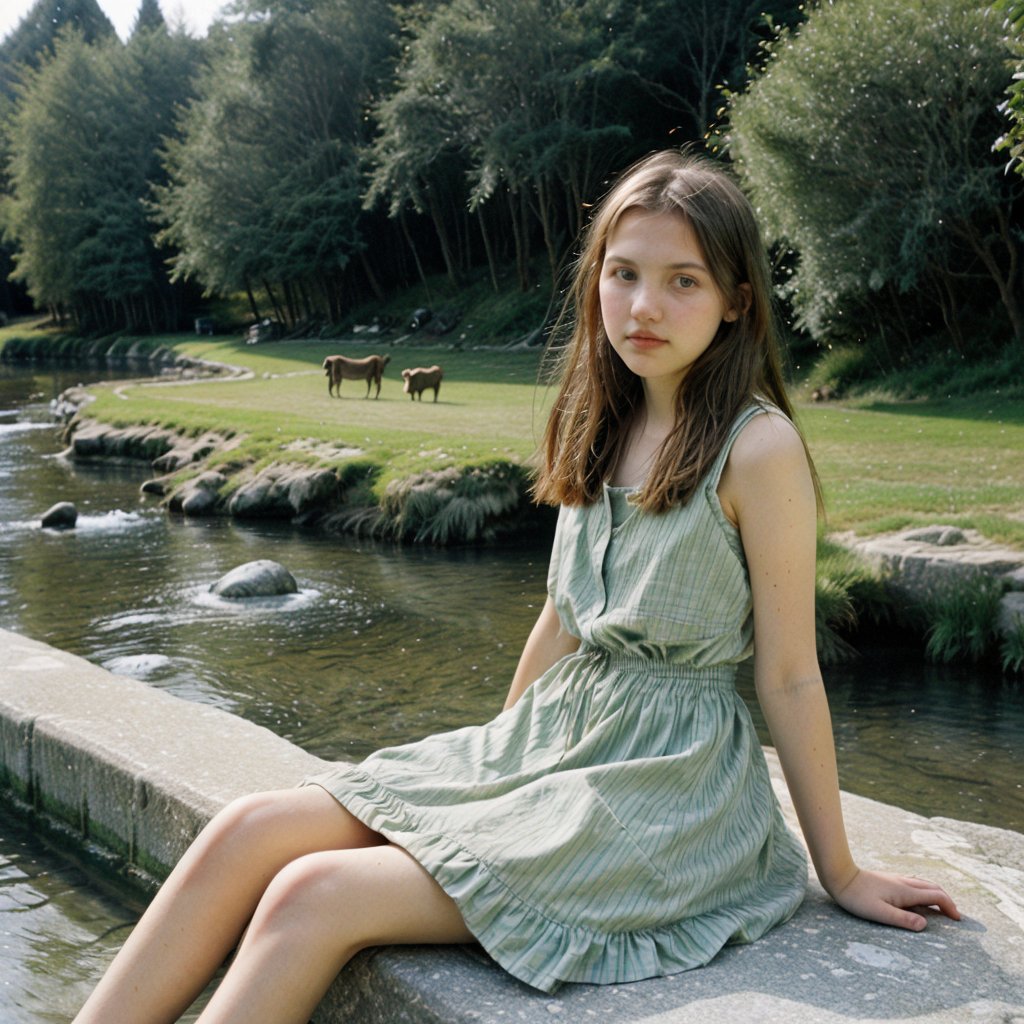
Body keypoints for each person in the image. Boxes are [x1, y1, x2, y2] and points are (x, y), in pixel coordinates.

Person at [73, 150, 959, 1024]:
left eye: (683, 281)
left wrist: (837, 870)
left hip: (669, 791)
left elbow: (791, 676)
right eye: (625, 274)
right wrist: (486, 781)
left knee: (316, 892)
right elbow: (560, 624)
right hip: (554, 746)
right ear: (596, 282)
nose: (645, 305)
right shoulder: (600, 419)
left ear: (738, 303)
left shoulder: (756, 450)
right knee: (244, 831)